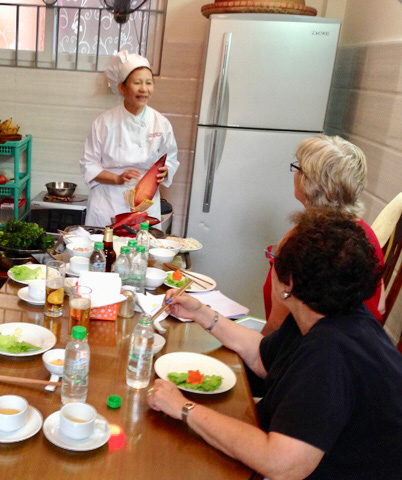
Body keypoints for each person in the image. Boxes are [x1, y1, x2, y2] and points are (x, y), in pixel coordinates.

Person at [148, 208, 402, 480]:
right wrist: (201, 313)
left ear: (288, 283)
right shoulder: (326, 309)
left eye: (274, 258)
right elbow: (262, 358)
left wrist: (184, 408)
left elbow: (282, 464)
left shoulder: (331, 352)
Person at [262, 135, 384, 335]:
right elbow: (380, 307)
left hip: (302, 355)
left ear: (310, 182)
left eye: (298, 168)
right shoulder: (365, 235)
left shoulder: (302, 241)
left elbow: (277, 326)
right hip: (354, 349)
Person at [80, 50, 179, 227]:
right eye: (137, 83)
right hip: (108, 203)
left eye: (149, 83)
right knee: (106, 251)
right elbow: (89, 164)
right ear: (122, 87)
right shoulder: (104, 123)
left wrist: (166, 170)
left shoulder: (161, 123)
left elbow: (170, 159)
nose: (144, 89)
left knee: (141, 251)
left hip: (145, 205)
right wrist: (117, 178)